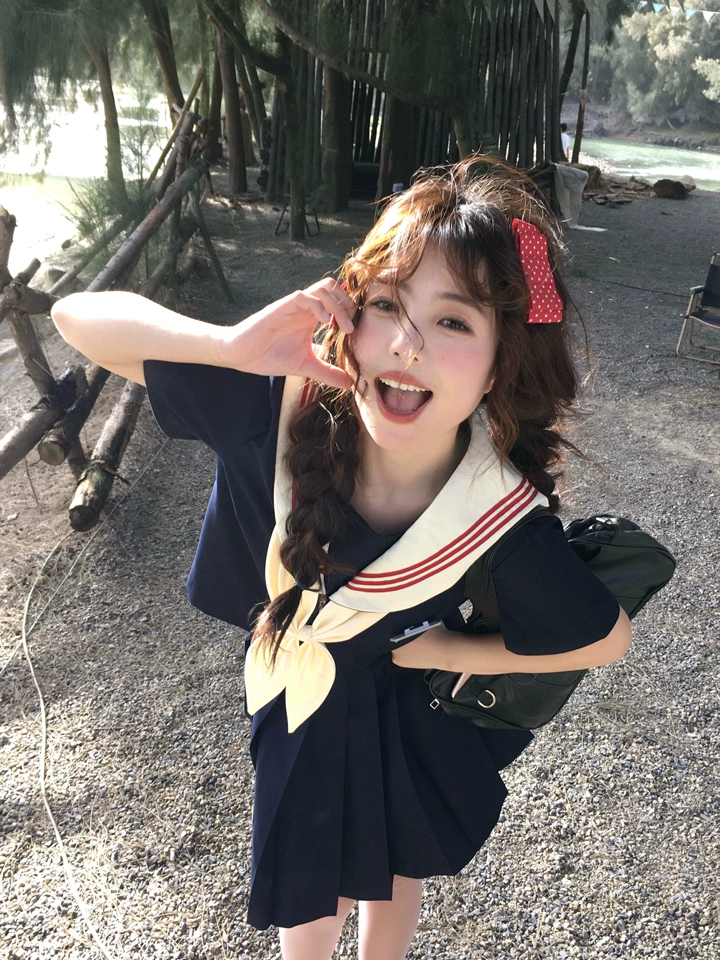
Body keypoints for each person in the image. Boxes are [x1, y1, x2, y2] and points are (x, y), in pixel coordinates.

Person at [51, 159, 631, 960]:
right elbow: (76, 316)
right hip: (302, 699)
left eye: (453, 321)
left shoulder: (495, 511)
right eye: (386, 303)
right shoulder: (277, 409)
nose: (405, 344)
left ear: (503, 361)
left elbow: (604, 636)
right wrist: (228, 345)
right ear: (348, 312)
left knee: (396, 858)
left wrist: (450, 650)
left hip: (406, 700)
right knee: (310, 879)